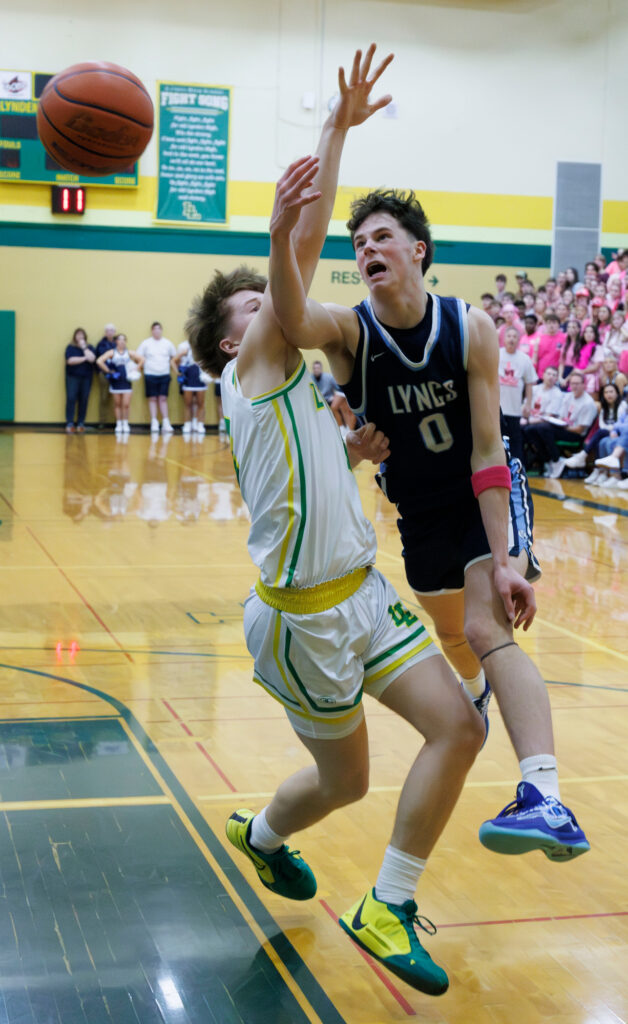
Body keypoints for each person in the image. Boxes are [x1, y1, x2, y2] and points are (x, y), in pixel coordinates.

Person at [186, 47, 485, 998]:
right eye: (259, 307)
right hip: (301, 620)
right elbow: (298, 268)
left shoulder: (300, 387)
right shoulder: (254, 367)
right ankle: (262, 832)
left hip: (362, 595)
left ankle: (386, 903)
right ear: (237, 341)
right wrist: (332, 132)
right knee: (345, 784)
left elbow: (315, 455)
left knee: (459, 732)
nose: (279, 312)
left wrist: (352, 457)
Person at [270, 166, 590, 864]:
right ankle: (481, 703)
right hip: (416, 510)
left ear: (419, 250)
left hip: (478, 493)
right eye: (357, 243)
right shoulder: (351, 333)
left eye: (382, 236)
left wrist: (507, 561)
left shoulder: (468, 326)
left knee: (487, 624)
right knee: (454, 638)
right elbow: (292, 320)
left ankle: (545, 794)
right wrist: (281, 235)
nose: (366, 249)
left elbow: (485, 448)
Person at [523, 371, 597, 477]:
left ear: (583, 385)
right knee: (530, 429)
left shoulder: (588, 403)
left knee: (544, 428)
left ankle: (556, 460)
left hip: (575, 434)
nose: (574, 386)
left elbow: (580, 430)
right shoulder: (568, 397)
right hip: (563, 427)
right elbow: (560, 417)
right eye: (572, 384)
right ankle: (548, 460)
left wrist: (564, 426)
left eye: (577, 384)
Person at [564, 382, 628, 471]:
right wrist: (611, 429)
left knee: (600, 434)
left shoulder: (622, 405)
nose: (609, 394)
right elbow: (602, 424)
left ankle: (583, 455)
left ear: (617, 393)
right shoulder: (604, 408)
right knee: (599, 441)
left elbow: (619, 423)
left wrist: (613, 430)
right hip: (609, 432)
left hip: (619, 433)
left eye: (611, 392)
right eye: (606, 392)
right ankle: (599, 471)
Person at [498, 327, 536, 462]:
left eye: (515, 336)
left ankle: (518, 470)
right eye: (509, 336)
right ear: (504, 338)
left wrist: (528, 404)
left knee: (515, 441)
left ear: (519, 340)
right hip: (497, 407)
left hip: (514, 409)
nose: (511, 339)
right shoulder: (496, 354)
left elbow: (530, 382)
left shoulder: (524, 359)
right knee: (497, 439)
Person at [96, 332, 144, 434]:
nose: (122, 341)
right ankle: (119, 423)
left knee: (126, 404)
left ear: (126, 342)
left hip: (126, 381)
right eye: (119, 339)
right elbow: (99, 361)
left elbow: (142, 359)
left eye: (123, 339)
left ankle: (125, 423)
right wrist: (108, 371)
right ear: (116, 341)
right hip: (116, 381)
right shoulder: (112, 352)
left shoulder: (129, 352)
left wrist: (135, 369)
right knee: (117, 404)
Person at [136, 322, 177, 434]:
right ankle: (154, 422)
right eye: (154, 329)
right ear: (152, 331)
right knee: (152, 398)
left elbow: (174, 357)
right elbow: (138, 357)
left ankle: (165, 422)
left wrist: (177, 371)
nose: (157, 331)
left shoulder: (168, 343)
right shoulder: (146, 343)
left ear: (161, 330)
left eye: (159, 329)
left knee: (163, 398)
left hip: (164, 374)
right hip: (150, 374)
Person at [311, 358, 357, 433]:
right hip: (328, 397)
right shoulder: (311, 378)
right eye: (315, 368)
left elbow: (337, 387)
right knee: (344, 410)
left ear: (321, 368)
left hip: (343, 391)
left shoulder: (328, 377)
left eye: (318, 368)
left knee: (348, 411)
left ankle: (349, 431)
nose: (316, 370)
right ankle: (345, 430)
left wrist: (334, 396)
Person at [173, 339, 208, 437]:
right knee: (188, 403)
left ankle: (200, 424)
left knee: (200, 403)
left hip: (200, 378)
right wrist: (178, 373)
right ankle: (187, 424)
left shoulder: (202, 347)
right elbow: (174, 361)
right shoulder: (184, 348)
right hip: (188, 378)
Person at [64, 327, 96, 433]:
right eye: (78, 334)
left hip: (86, 377)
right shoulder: (70, 347)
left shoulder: (90, 347)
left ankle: (81, 422)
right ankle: (70, 422)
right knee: (71, 398)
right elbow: (70, 360)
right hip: (72, 377)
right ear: (74, 336)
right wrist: (84, 358)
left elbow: (92, 359)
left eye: (82, 334)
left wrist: (84, 348)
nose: (80, 336)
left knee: (84, 399)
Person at [95, 323, 117, 428]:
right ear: (105, 332)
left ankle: (118, 422)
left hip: (117, 374)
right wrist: (103, 371)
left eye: (112, 330)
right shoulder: (101, 344)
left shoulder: (118, 343)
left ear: (114, 332)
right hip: (104, 374)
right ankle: (102, 421)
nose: (110, 332)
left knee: (117, 398)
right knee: (104, 398)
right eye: (108, 330)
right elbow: (98, 359)